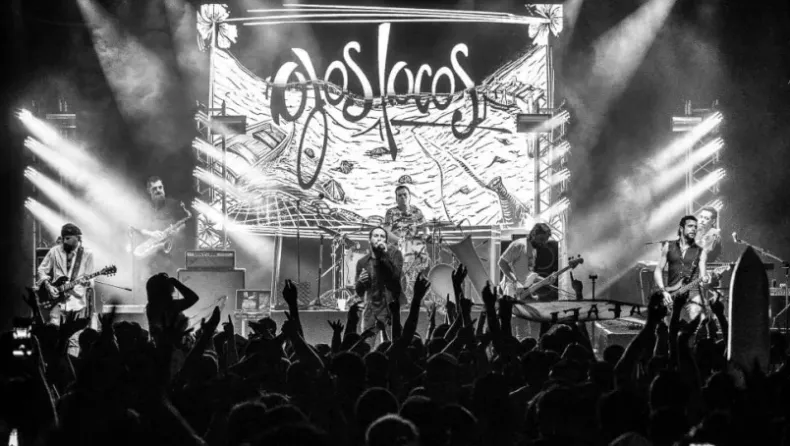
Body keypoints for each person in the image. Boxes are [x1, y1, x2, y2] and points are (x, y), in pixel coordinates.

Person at [654, 215, 710, 322]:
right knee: (671, 326)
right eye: (690, 226)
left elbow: (703, 276)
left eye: (695, 227)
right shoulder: (668, 246)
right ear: (681, 228)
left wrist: (706, 279)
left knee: (698, 318)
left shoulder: (701, 251)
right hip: (673, 294)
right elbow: (658, 270)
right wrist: (663, 291)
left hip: (693, 293)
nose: (694, 229)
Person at [36, 223, 95, 325]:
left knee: (75, 333)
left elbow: (91, 279)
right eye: (63, 238)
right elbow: (41, 269)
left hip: (77, 304)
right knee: (54, 332)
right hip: (57, 303)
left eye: (68, 238)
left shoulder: (87, 254)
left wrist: (87, 283)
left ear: (77, 238)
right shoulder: (54, 251)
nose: (64, 241)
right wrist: (48, 286)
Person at [354, 227, 404, 342]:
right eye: (376, 236)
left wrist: (384, 256)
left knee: (393, 344)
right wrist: (360, 282)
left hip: (389, 309)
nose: (379, 239)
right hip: (370, 309)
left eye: (382, 236)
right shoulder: (362, 262)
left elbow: (395, 279)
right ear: (369, 240)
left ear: (386, 240)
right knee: (366, 345)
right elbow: (359, 292)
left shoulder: (396, 255)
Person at [498, 223, 555, 301]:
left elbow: (527, 275)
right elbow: (502, 263)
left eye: (545, 240)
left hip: (520, 293)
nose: (543, 243)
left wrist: (546, 281)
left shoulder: (533, 251)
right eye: (541, 239)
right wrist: (516, 282)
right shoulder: (519, 245)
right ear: (533, 234)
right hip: (509, 290)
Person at [145, 272, 199, 344]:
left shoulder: (151, 307)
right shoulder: (169, 306)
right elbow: (193, 298)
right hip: (174, 347)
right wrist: (175, 282)